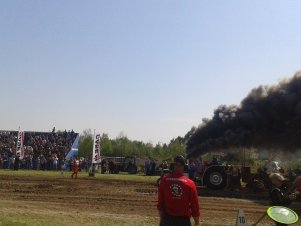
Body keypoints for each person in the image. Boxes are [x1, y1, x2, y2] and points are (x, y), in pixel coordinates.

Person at [157, 155, 200, 226]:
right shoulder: (190, 183)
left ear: (173, 166)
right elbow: (194, 206)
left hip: (167, 219)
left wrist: (162, 220)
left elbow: (160, 204)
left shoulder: (164, 180)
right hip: (183, 221)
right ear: (184, 166)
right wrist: (197, 223)